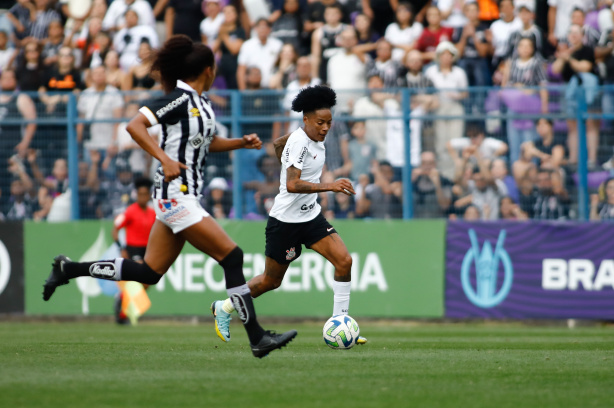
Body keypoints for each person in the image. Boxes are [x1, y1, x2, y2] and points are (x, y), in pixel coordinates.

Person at [42, 34, 297, 359]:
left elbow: (204, 142)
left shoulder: (202, 103)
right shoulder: (178, 99)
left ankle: (68, 269)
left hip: (183, 196)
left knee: (149, 272)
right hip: (176, 196)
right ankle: (258, 338)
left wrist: (239, 143)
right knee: (232, 258)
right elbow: (134, 126)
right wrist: (163, 159)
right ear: (208, 69)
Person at [210, 85, 367, 345]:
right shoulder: (300, 142)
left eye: (329, 122)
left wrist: (286, 158)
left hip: (310, 217)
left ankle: (342, 324)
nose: (325, 128)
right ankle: (224, 307)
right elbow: (293, 184)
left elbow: (278, 143)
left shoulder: (309, 138)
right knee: (270, 281)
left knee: (344, 262)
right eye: (320, 122)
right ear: (306, 120)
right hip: (285, 223)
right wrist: (330, 184)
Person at [112, 177, 155, 324]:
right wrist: (121, 247)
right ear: (136, 195)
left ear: (149, 195)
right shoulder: (130, 211)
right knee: (138, 279)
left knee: (146, 283)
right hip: (133, 248)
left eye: (146, 194)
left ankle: (121, 300)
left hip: (147, 249)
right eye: (140, 194)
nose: (143, 197)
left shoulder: (152, 213)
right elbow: (115, 229)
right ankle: (124, 312)